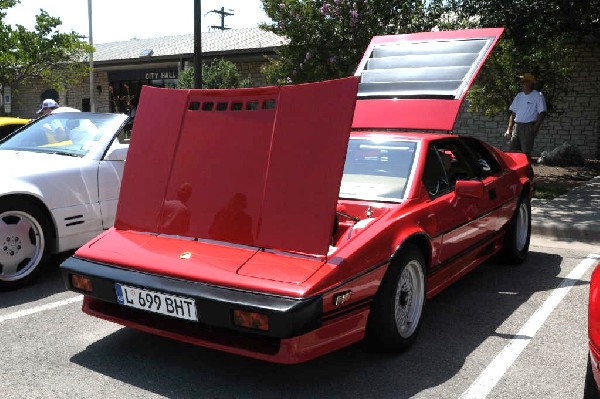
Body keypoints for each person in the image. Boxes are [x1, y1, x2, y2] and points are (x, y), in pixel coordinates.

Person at [504, 73, 547, 161]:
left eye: (523, 82)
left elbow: (542, 113)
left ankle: (527, 172)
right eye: (521, 82)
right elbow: (513, 113)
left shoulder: (538, 95)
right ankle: (515, 172)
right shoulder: (519, 96)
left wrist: (535, 128)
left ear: (530, 83)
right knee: (512, 150)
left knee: (525, 153)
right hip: (517, 126)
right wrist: (509, 129)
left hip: (528, 126)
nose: (521, 84)